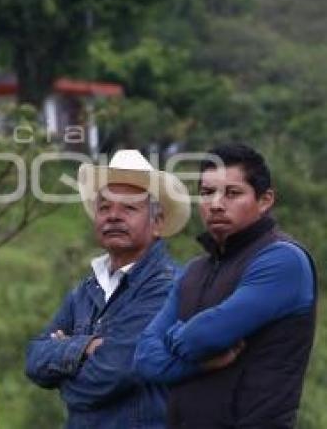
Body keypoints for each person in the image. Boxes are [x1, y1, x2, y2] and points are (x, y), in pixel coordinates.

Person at [134, 143, 316, 428]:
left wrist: (177, 335)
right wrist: (198, 362)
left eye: (232, 193)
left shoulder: (283, 260)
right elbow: (144, 358)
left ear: (265, 200)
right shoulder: (194, 270)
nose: (216, 204)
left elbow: (203, 338)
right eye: (207, 193)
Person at [25, 149, 190, 428]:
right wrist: (86, 346)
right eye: (104, 207)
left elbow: (112, 374)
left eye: (129, 208)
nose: (113, 216)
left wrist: (66, 357)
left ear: (157, 223)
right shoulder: (87, 290)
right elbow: (33, 359)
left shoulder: (166, 286)